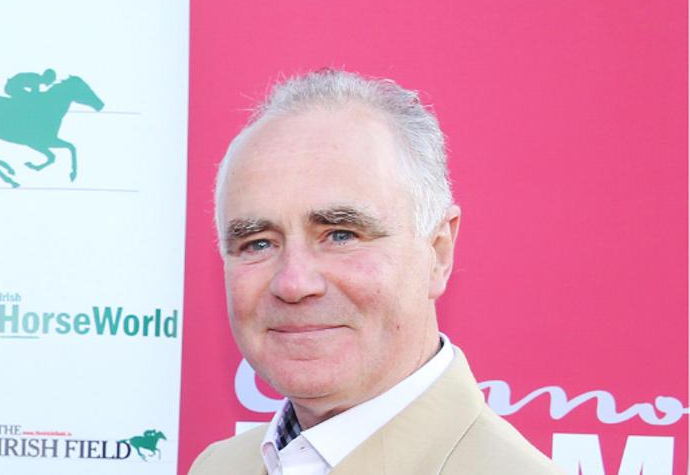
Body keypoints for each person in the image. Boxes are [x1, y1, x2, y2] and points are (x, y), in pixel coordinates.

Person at [190, 70, 564, 474]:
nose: (294, 283)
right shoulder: (217, 466)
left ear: (438, 252)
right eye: (258, 243)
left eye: (341, 235)